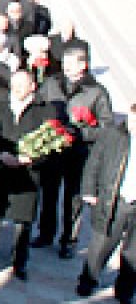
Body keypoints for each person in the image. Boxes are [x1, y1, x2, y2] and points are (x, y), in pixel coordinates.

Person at [0, 70, 56, 280]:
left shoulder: (44, 111)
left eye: (22, 85)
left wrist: (32, 159)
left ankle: (19, 261)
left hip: (26, 172)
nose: (17, 89)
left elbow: (51, 143)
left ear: (32, 87)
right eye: (14, 84)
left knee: (22, 220)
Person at [36, 46, 113, 257]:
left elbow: (107, 127)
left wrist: (81, 133)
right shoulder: (52, 83)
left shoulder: (96, 92)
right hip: (52, 149)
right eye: (64, 63)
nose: (66, 67)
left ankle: (68, 239)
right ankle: (45, 233)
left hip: (78, 153)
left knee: (73, 198)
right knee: (49, 193)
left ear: (83, 65)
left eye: (71, 64)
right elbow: (39, 106)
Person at [77, 105, 136, 301]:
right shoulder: (113, 135)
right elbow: (94, 162)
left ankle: (125, 289)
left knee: (133, 252)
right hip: (114, 199)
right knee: (102, 244)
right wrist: (88, 190)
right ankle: (89, 279)